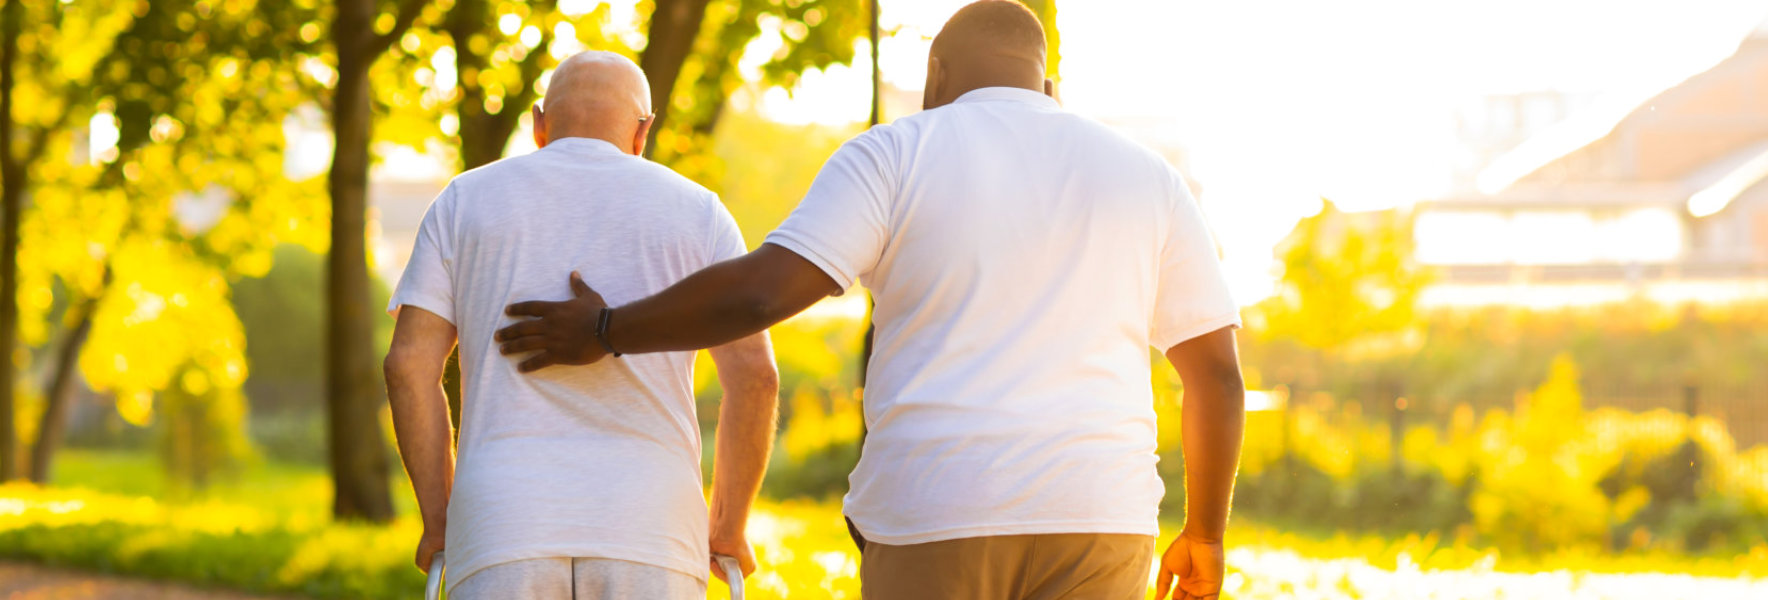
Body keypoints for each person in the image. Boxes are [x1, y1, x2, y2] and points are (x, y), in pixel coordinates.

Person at [492, 2, 1247, 599]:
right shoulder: (1147, 178)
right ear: (1046, 84)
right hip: (1100, 519)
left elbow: (762, 292)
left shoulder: (897, 152)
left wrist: (605, 328)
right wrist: (1206, 535)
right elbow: (1214, 373)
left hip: (938, 511)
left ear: (937, 74)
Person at [382, 50, 781, 600]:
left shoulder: (463, 201)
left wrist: (440, 515)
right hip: (652, 529)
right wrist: (729, 526)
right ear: (643, 131)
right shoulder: (700, 212)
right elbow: (755, 377)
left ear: (539, 125)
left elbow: (407, 367)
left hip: (504, 524)